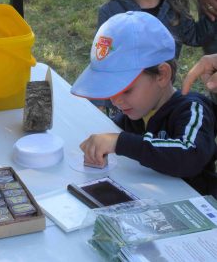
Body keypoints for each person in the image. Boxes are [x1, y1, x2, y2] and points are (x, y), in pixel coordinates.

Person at [71, 11, 217, 195]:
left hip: (201, 211)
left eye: (126, 89)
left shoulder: (192, 110)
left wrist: (120, 143)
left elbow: (190, 155)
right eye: (112, 90)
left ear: (162, 75)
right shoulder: (134, 113)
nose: (115, 101)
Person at [92, 0, 217, 112]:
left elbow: (194, 36)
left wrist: (213, 14)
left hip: (161, 100)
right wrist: (99, 104)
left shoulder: (176, 7)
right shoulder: (112, 11)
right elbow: (102, 60)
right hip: (124, 100)